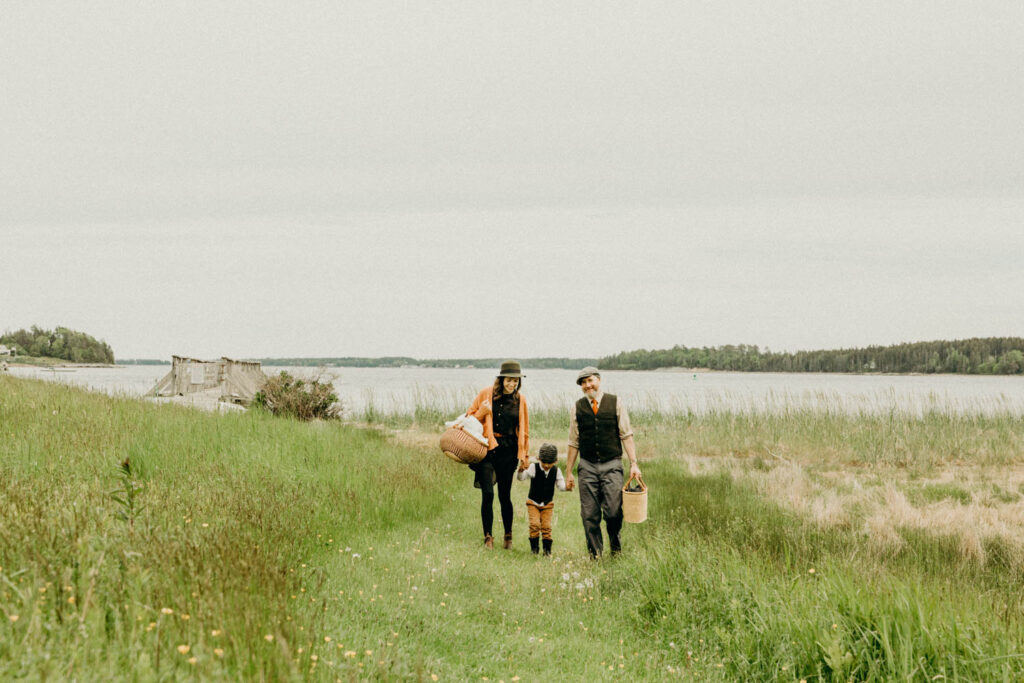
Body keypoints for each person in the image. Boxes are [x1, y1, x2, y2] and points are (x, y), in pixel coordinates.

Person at [565, 366, 642, 558]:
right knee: (589, 516)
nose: (587, 385)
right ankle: (595, 556)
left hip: (612, 464)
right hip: (587, 466)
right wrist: (568, 472)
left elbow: (626, 435)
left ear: (599, 380)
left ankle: (615, 546)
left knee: (614, 512)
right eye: (583, 383)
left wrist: (634, 463)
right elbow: (573, 442)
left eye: (590, 380)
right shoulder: (577, 407)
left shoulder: (615, 403)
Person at [461, 360, 530, 549]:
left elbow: (524, 430)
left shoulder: (520, 399)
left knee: (504, 495)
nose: (512, 384)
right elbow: (468, 419)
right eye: (509, 380)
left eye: (515, 381)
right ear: (501, 379)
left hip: (509, 451)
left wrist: (525, 455)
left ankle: (508, 535)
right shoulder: (486, 393)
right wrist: (481, 412)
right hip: (487, 450)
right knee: (488, 494)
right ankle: (488, 537)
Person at [517, 443, 567, 556]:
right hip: (533, 503)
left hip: (548, 504)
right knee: (534, 525)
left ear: (555, 461)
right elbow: (521, 478)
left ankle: (547, 552)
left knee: (546, 527)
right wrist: (520, 471)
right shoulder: (533, 467)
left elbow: (560, 486)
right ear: (539, 459)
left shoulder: (556, 471)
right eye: (544, 462)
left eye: (549, 463)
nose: (546, 465)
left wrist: (567, 487)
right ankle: (534, 550)